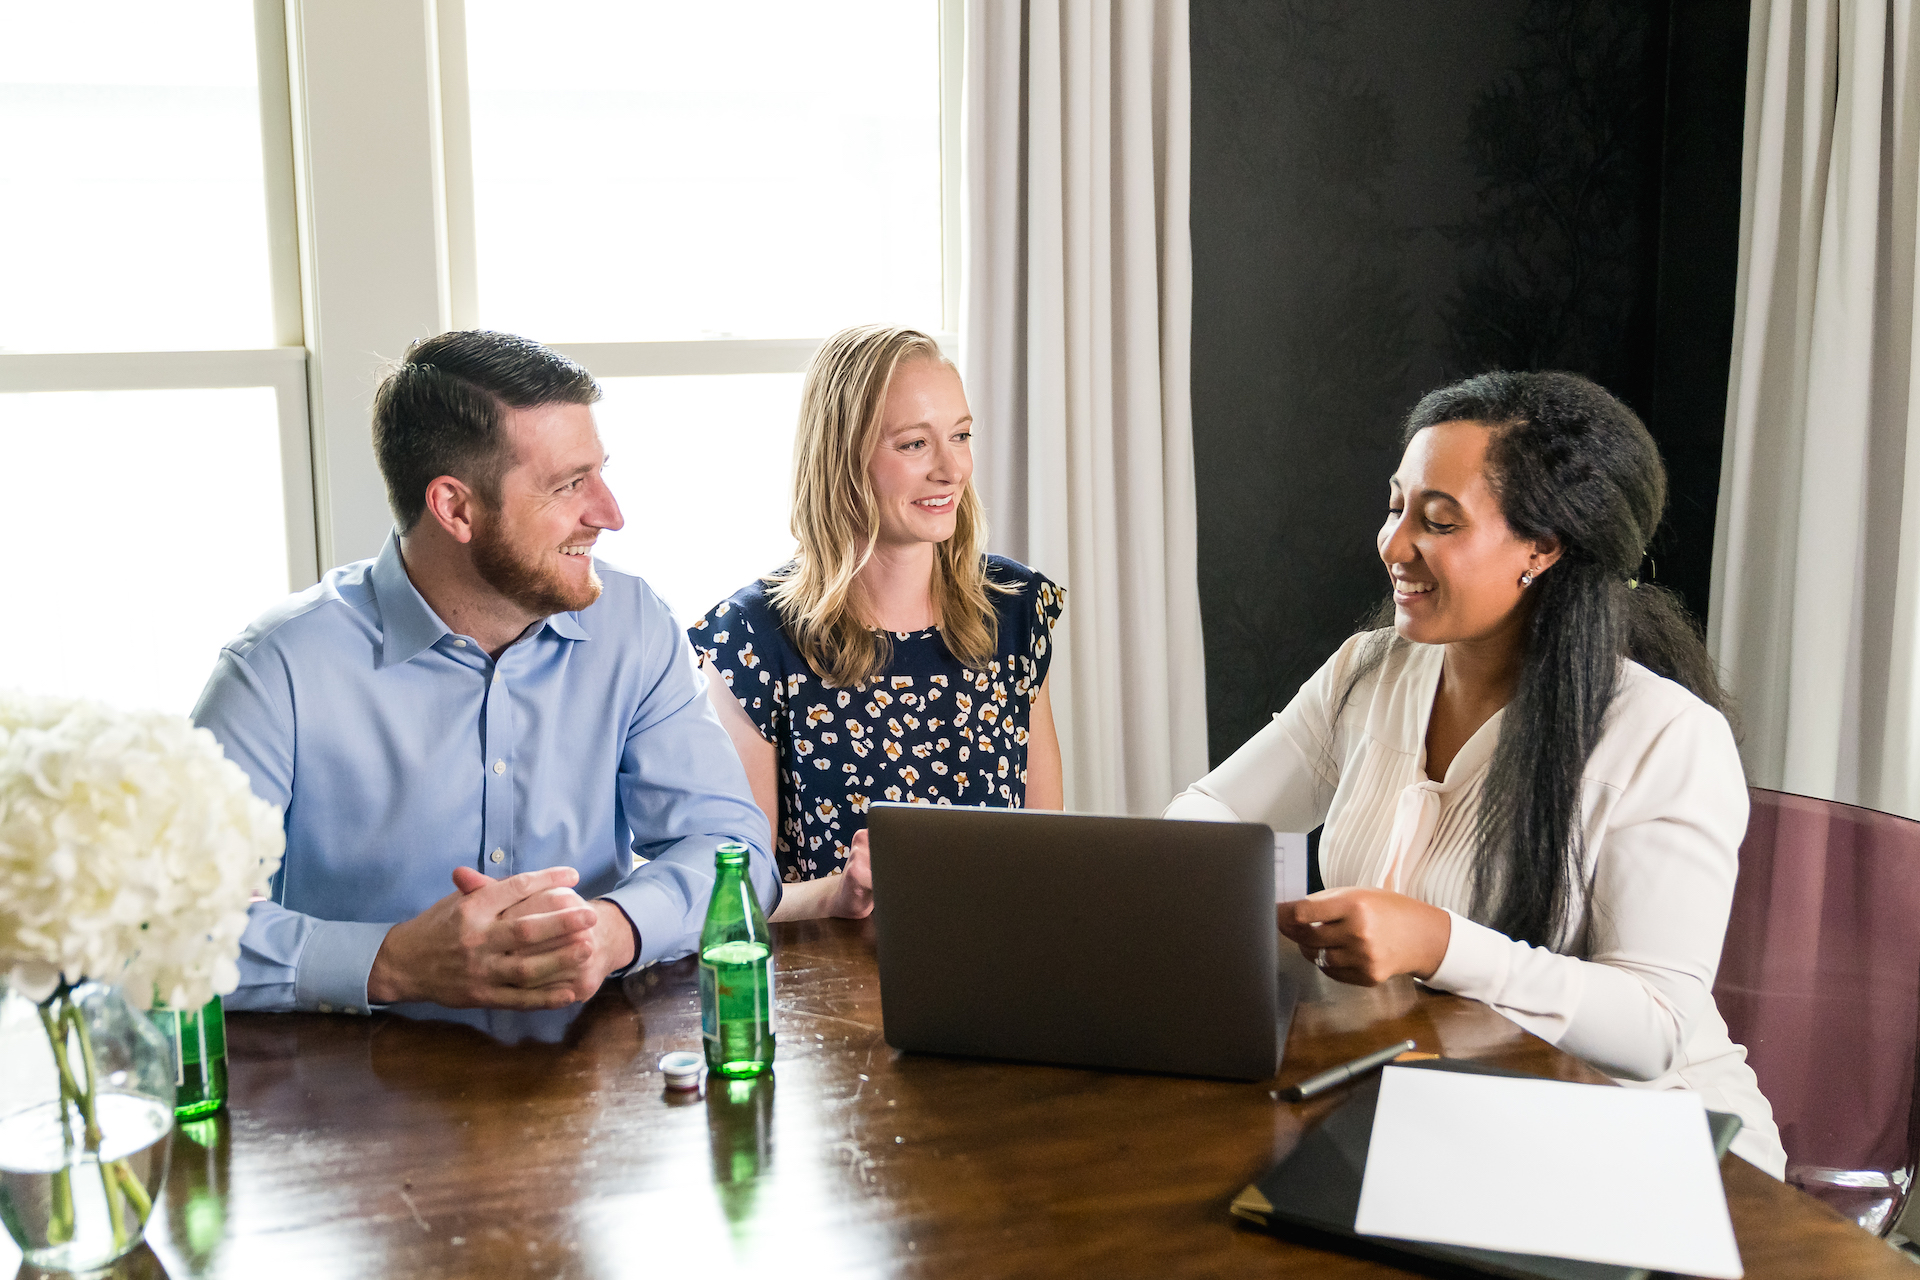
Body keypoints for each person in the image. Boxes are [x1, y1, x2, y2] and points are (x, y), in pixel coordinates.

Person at [1164, 370, 1787, 1177]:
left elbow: (1652, 1025)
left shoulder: (1665, 736)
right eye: (1396, 507)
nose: (1393, 545)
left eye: (1439, 521)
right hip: (1456, 1113)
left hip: (1652, 1151)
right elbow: (1212, 808)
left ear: (1544, 547)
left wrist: (1438, 943)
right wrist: (1213, 885)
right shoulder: (1368, 670)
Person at [194, 330, 776, 1014]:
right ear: (455, 508)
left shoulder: (634, 625)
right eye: (568, 485)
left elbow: (731, 851)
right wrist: (389, 964)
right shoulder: (277, 669)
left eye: (599, 472)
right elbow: (168, 925)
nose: (610, 514)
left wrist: (612, 932)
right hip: (351, 1090)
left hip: (589, 1078)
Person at [690, 324, 1064, 920]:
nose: (951, 469)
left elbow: (1052, 864)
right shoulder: (754, 636)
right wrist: (839, 895)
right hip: (826, 994)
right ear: (841, 458)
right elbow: (731, 901)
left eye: (961, 436)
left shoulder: (1015, 609)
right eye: (914, 444)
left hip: (998, 977)